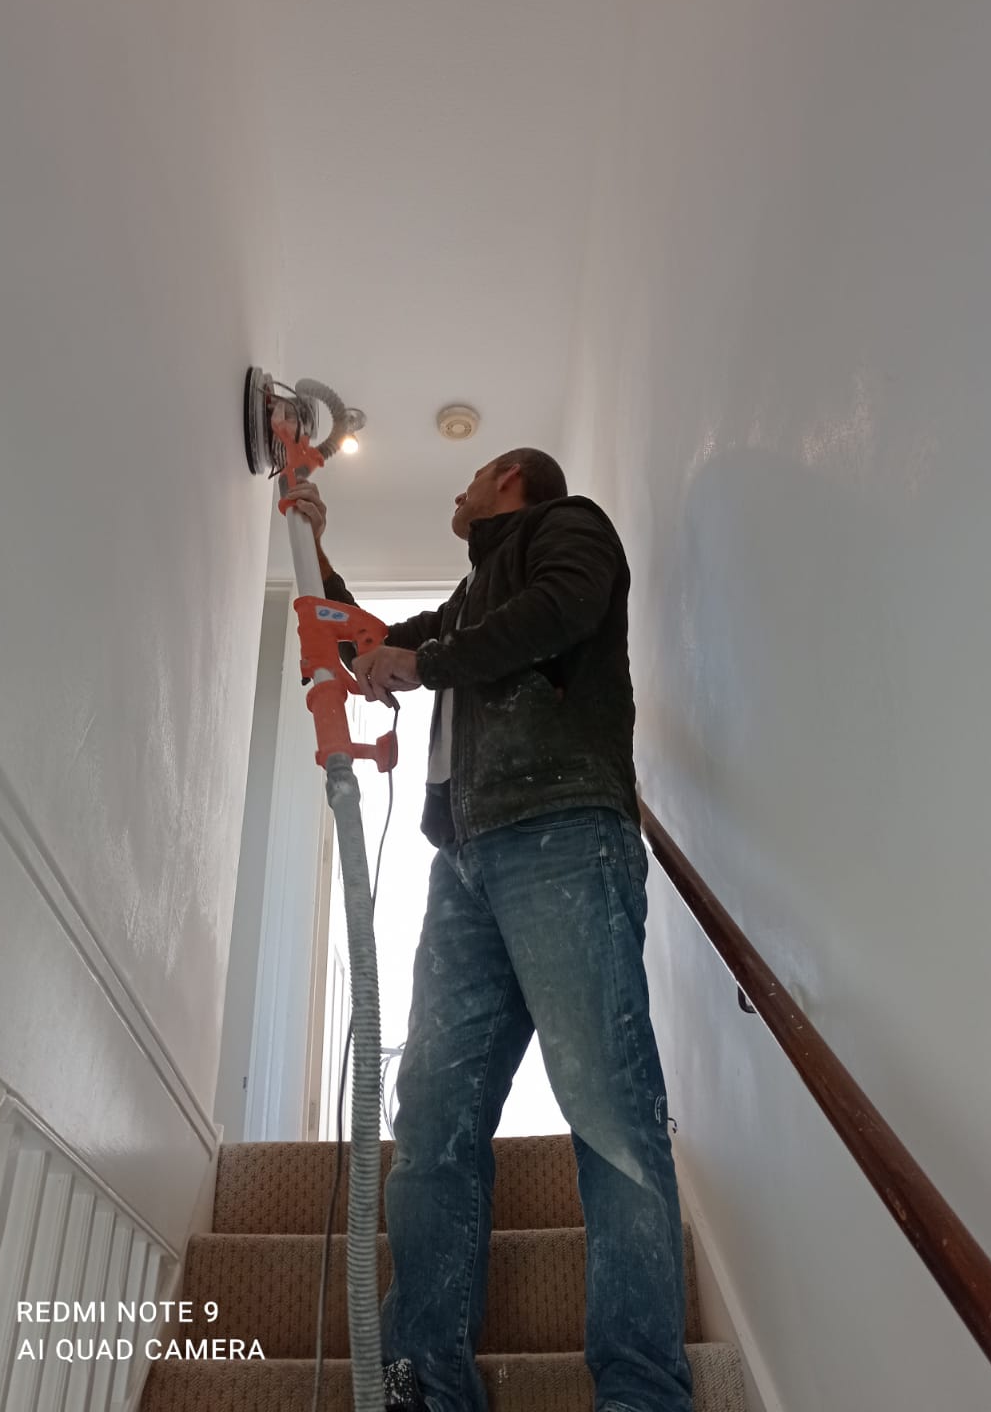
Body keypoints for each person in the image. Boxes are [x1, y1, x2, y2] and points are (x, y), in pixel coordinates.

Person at [287, 451, 694, 1412]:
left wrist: (421, 661)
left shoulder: (571, 529)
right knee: (430, 1120)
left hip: (562, 835)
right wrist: (314, 547)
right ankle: (426, 1380)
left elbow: (561, 610)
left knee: (609, 1119)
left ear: (511, 477)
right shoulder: (471, 599)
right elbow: (372, 644)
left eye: (469, 478)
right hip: (464, 866)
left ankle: (642, 1393)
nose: (456, 494)